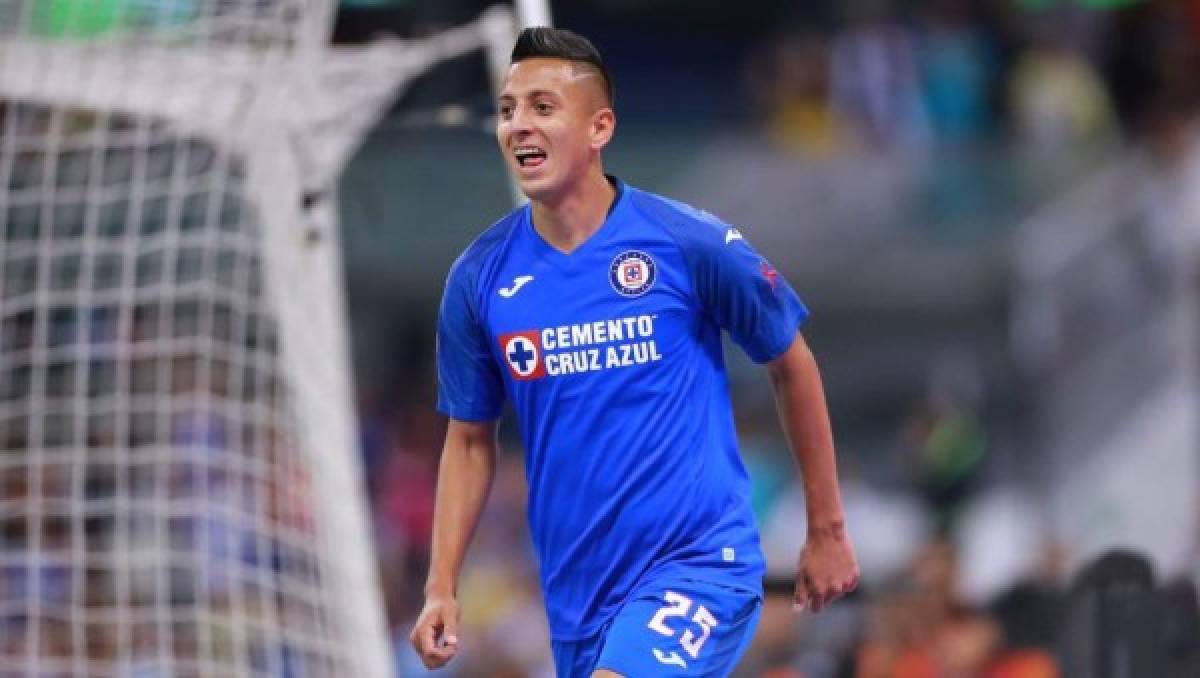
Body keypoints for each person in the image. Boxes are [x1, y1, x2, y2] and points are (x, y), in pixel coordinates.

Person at [410, 26, 859, 677]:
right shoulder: (479, 278)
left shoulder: (687, 243)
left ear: (600, 128)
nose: (518, 124)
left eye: (542, 106)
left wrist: (827, 527)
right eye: (507, 110)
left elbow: (790, 363)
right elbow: (471, 442)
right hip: (579, 599)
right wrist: (441, 585)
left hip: (699, 566)